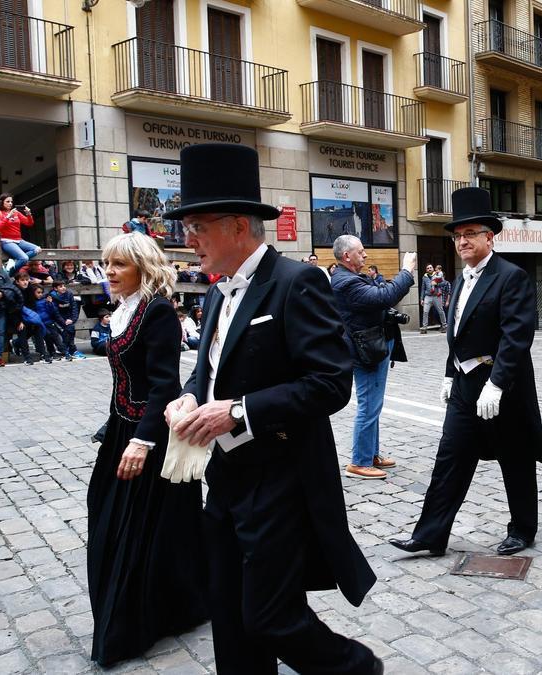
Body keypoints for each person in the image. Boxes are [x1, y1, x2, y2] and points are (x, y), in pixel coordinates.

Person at [160, 143, 379, 674]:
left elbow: (331, 383)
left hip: (282, 480)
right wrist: (191, 395)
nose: (187, 239)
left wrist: (239, 412)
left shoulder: (294, 282)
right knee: (228, 609)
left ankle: (358, 669)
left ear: (238, 226)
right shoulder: (216, 293)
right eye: (185, 227)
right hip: (226, 477)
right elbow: (208, 370)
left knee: (270, 615)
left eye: (197, 226)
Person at [389, 186, 542, 558]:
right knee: (450, 456)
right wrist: (448, 373)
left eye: (470, 234)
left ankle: (523, 528)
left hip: (500, 385)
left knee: (515, 457)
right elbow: (456, 333)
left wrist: (497, 384)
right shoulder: (461, 279)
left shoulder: (511, 277)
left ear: (489, 237)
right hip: (463, 383)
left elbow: (516, 336)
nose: (462, 241)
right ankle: (430, 534)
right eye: (458, 236)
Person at [85, 232, 207, 666]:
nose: (110, 272)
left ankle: (140, 620)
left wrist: (141, 441)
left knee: (137, 526)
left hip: (147, 434)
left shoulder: (156, 312)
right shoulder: (123, 310)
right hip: (121, 426)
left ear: (143, 267)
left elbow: (164, 385)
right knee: (108, 512)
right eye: (107, 264)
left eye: (119, 264)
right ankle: (168, 606)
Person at [330, 234, 417, 479]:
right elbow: (383, 297)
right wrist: (406, 272)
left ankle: (371, 454)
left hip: (373, 346)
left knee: (374, 405)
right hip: (367, 350)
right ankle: (359, 462)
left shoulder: (349, 277)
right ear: (347, 256)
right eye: (361, 251)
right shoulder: (346, 282)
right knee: (369, 405)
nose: (366, 254)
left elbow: (377, 299)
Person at [0, 193, 41, 268]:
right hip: (6, 241)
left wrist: (28, 214)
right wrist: (8, 216)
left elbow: (29, 223)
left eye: (11, 202)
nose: (10, 203)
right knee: (24, 258)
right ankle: (9, 273)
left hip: (19, 240)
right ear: (2, 202)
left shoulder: (16, 213)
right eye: (7, 201)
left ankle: (15, 262)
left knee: (37, 249)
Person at [48, 280, 83, 358]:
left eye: (64, 286)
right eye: (60, 286)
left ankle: (65, 349)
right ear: (55, 289)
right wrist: (64, 322)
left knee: (70, 328)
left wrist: (72, 320)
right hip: (56, 318)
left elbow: (74, 308)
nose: (63, 288)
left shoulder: (69, 294)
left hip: (68, 318)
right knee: (69, 329)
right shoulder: (52, 297)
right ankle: (72, 350)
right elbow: (55, 312)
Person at [420, 269, 448, 334]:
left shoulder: (438, 274)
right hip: (428, 296)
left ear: (433, 269)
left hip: (437, 296)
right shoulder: (424, 277)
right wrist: (422, 299)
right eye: (428, 268)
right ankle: (424, 328)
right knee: (425, 311)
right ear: (426, 270)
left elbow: (444, 283)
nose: (429, 269)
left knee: (440, 311)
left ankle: (444, 326)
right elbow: (423, 288)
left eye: (430, 267)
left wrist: (437, 284)